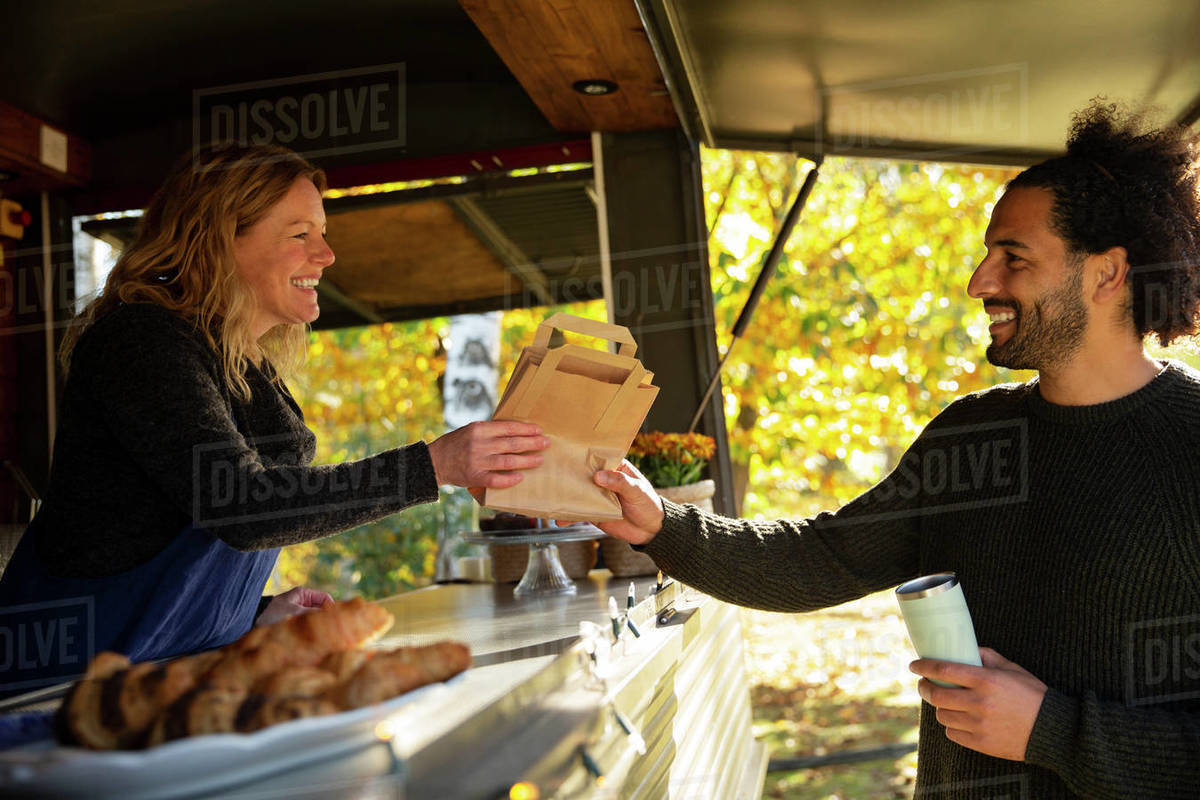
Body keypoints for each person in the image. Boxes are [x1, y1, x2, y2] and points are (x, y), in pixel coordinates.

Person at [594, 100, 1200, 799]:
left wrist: (1051, 729)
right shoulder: (971, 437)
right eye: (985, 253)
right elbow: (820, 559)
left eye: (1014, 257)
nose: (981, 281)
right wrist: (661, 524)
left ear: (1106, 274)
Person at [0, 145, 547, 688]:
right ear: (219, 239)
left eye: (323, 233)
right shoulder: (142, 341)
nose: (327, 254)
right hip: (60, 679)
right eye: (300, 234)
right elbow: (239, 503)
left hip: (156, 672)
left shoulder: (237, 358)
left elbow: (184, 529)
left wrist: (250, 615)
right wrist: (433, 465)